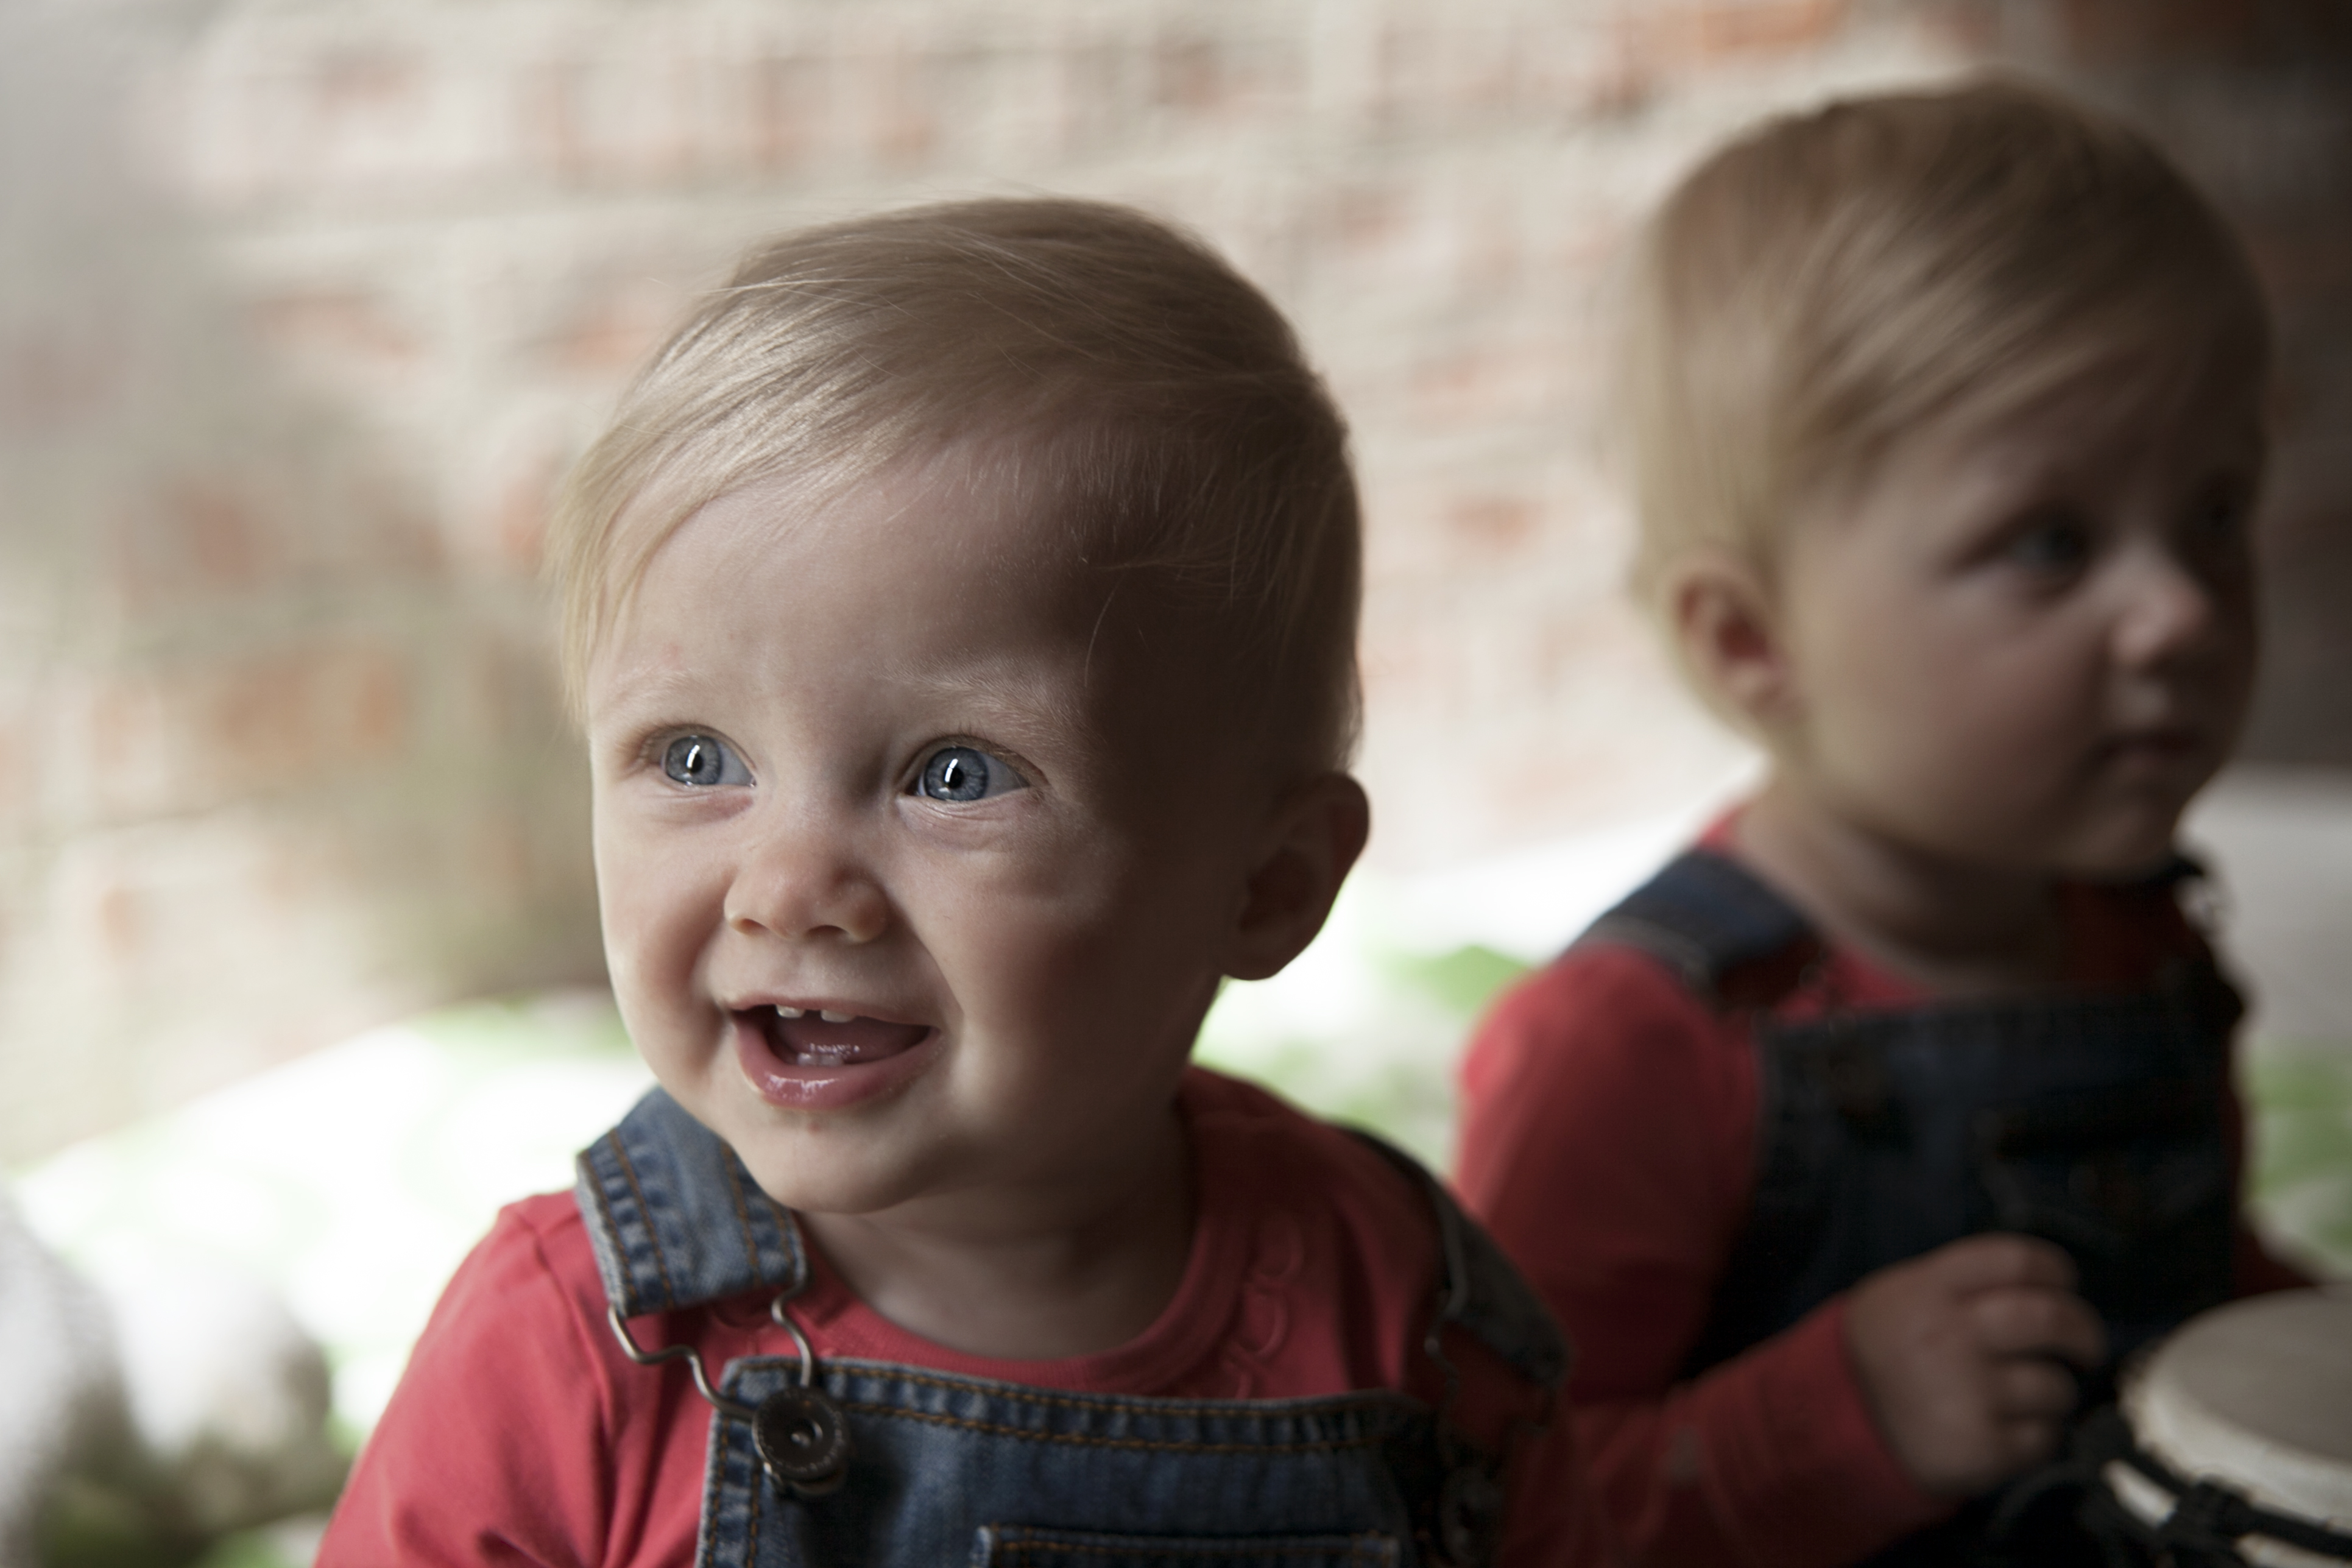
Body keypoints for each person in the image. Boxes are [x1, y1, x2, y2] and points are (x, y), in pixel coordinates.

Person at [320, 198, 1606, 1567]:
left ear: (1267, 887)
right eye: (694, 755)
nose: (790, 888)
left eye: (953, 775)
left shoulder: (1398, 1303)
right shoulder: (574, 1344)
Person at [1451, 80, 2314, 1568]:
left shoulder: (2139, 938)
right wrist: (1820, 1424)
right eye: (2050, 543)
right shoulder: (1636, 1046)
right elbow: (1491, 1511)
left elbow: (2179, 1296)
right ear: (1746, 642)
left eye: (2215, 515)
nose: (2178, 610)